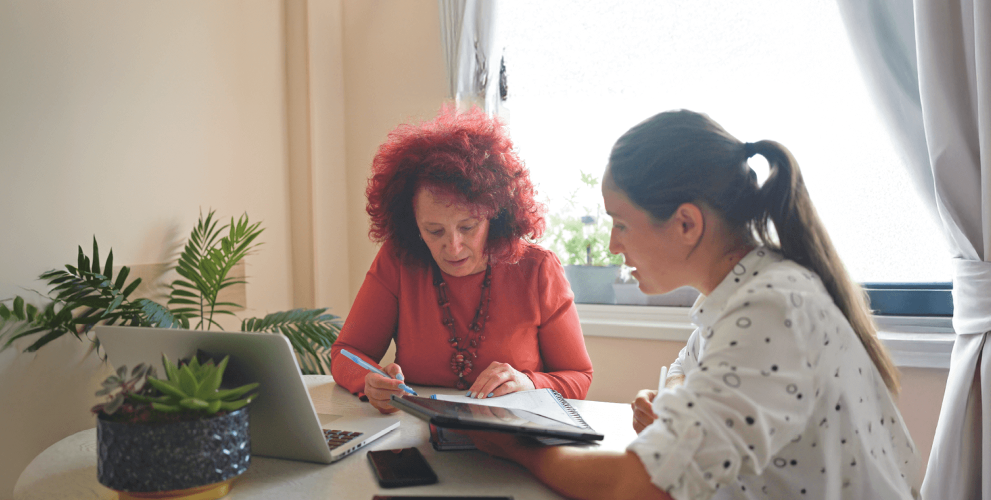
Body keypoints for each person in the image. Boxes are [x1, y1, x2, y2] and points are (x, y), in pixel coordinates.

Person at [461, 110, 916, 499]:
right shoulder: (747, 294)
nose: (613, 245)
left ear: (686, 223)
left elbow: (642, 487)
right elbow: (694, 370)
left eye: (621, 223)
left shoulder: (770, 310)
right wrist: (677, 403)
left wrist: (517, 449)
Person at [329, 107, 593, 414]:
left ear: (495, 217)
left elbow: (579, 378)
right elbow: (346, 354)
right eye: (434, 230)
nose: (453, 247)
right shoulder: (398, 261)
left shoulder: (537, 269)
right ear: (412, 224)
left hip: (513, 441)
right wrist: (370, 380)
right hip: (418, 434)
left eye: (468, 227)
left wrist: (528, 382)